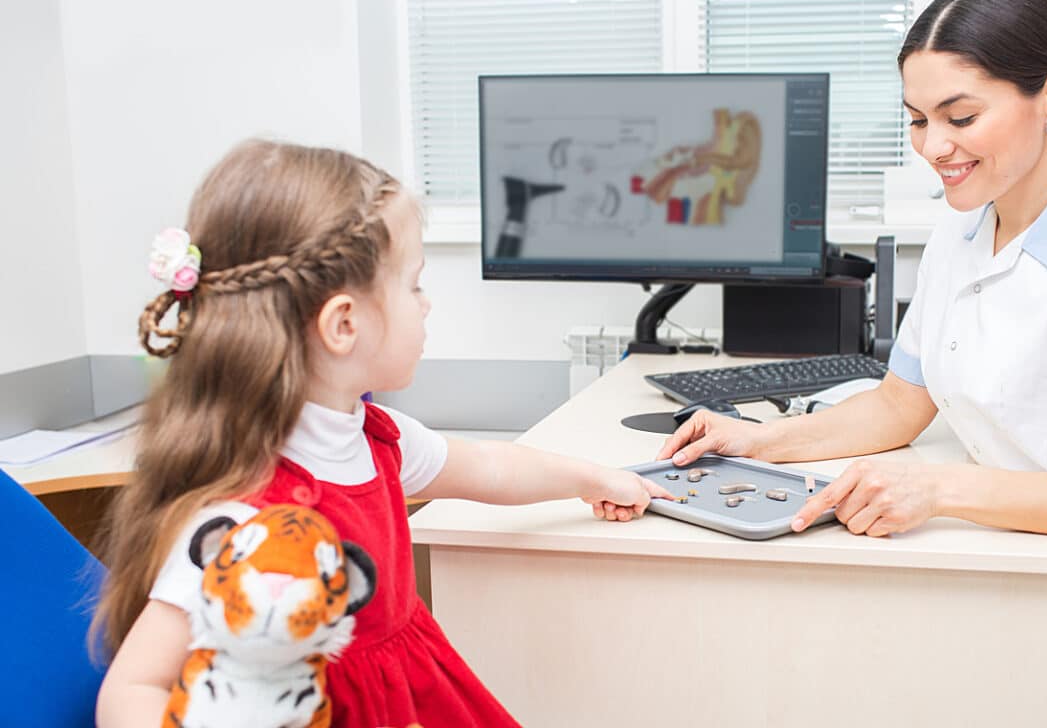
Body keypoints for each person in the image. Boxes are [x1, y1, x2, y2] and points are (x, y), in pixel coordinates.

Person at [658, 0, 1047, 725]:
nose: (934, 147)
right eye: (917, 120)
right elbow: (901, 405)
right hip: (1011, 575)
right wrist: (759, 440)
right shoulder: (963, 230)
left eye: (960, 116)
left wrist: (939, 491)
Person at [94, 140, 672, 727]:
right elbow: (133, 688)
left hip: (412, 698)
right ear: (344, 323)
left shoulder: (378, 438)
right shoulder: (244, 519)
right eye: (414, 285)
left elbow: (492, 468)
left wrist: (594, 478)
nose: (426, 305)